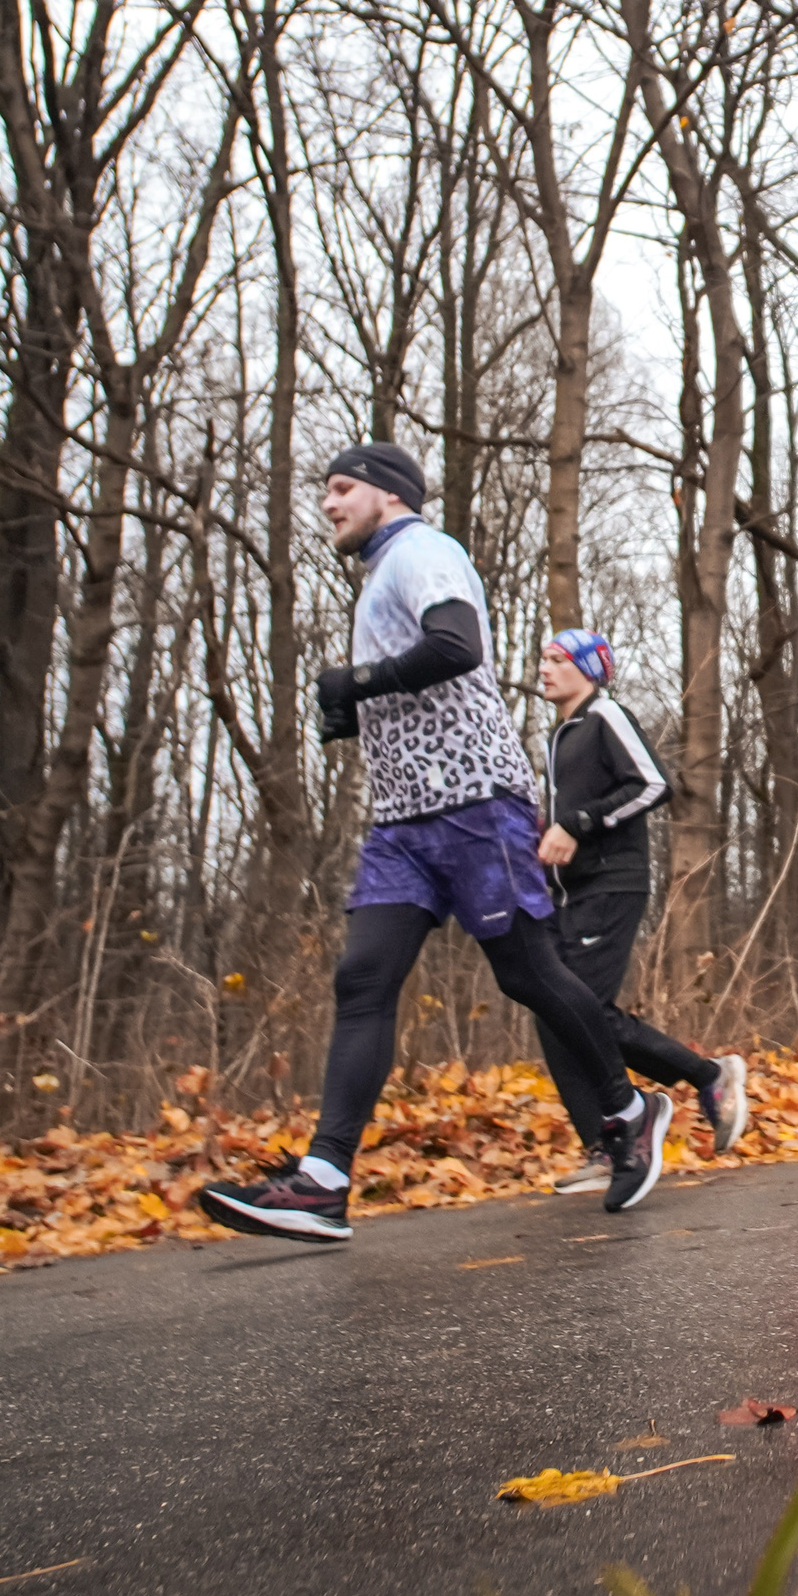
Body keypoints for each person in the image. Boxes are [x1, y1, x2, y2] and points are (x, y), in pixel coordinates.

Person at [201, 444, 673, 1242]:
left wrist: (355, 682)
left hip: (474, 805)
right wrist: (353, 707)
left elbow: (458, 646)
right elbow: (417, 676)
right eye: (325, 490)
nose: (328, 504)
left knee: (530, 974)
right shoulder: (381, 573)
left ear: (388, 495)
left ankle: (629, 1111)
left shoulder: (424, 550)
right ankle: (323, 1179)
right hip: (401, 820)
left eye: (341, 487)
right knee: (362, 979)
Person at [532, 629, 750, 1194]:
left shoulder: (606, 714)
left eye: (558, 660)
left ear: (589, 669)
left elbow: (654, 785)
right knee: (555, 1014)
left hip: (613, 883)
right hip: (567, 893)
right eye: (543, 659)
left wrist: (578, 825)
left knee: (581, 1008)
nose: (545, 668)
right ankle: (606, 1145)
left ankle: (708, 1077)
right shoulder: (561, 736)